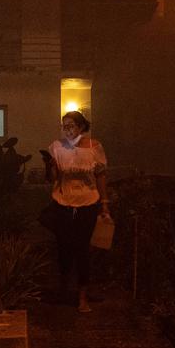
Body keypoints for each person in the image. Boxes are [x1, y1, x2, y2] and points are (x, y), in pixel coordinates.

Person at [44, 111, 110, 313]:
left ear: (81, 127)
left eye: (71, 126)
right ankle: (64, 288)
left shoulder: (94, 147)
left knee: (82, 249)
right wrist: (50, 165)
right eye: (64, 126)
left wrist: (104, 204)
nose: (68, 130)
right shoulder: (57, 147)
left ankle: (82, 296)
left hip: (87, 203)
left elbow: (100, 177)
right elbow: (53, 179)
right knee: (64, 247)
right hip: (63, 202)